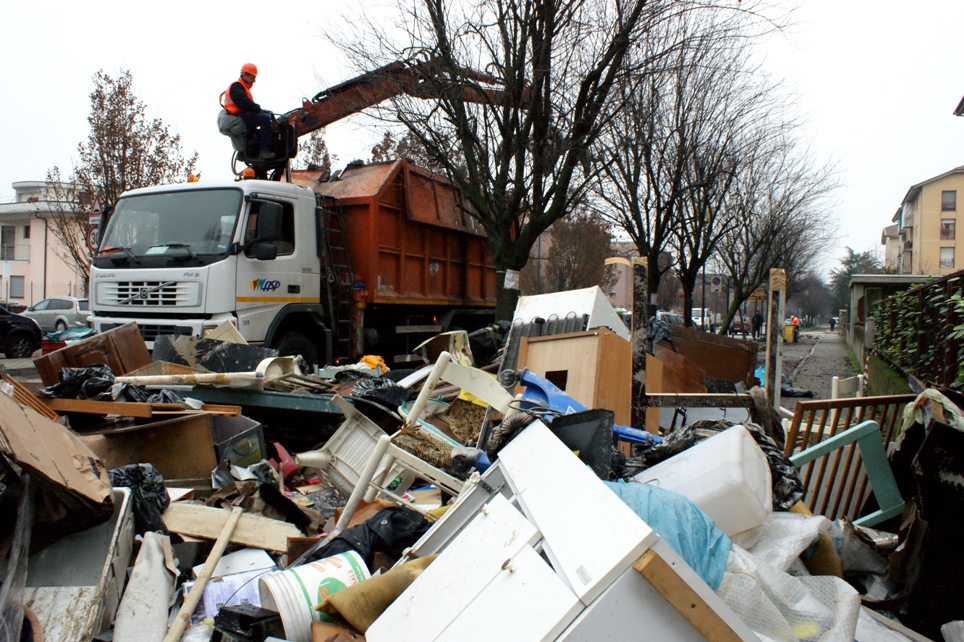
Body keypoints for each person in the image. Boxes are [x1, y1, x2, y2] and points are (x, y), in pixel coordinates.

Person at [221, 63, 274, 157]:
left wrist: (260, 110)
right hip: (239, 119)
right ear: (245, 75)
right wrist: (259, 110)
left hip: (241, 117)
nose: (254, 81)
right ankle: (265, 150)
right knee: (265, 119)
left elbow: (248, 106)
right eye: (252, 77)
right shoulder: (236, 86)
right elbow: (244, 103)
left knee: (260, 132)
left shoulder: (243, 88)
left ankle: (247, 152)